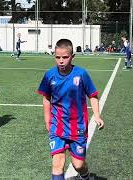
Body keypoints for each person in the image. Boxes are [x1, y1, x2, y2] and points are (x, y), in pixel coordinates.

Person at [37, 39, 104, 180]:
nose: (61, 61)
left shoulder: (81, 74)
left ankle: (85, 175)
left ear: (72, 56)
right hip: (57, 126)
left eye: (65, 57)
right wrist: (47, 121)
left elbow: (93, 95)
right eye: (57, 57)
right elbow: (46, 98)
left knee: (78, 165)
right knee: (57, 163)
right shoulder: (50, 75)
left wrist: (97, 115)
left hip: (77, 127)